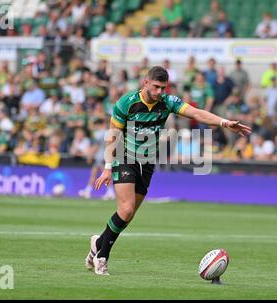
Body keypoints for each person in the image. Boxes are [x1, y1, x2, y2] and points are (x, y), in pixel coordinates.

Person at [85, 66, 251, 275]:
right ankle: (102, 256)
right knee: (125, 209)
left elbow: (196, 113)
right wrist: (108, 167)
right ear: (145, 83)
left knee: (128, 215)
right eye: (156, 87)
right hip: (124, 157)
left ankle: (98, 243)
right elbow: (112, 135)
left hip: (147, 163)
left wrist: (224, 122)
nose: (160, 92)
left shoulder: (168, 102)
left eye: (163, 88)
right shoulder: (126, 104)